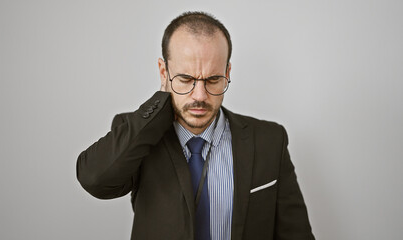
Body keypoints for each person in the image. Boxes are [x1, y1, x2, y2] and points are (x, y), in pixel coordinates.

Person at [76, 11, 315, 240]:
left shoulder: (270, 140)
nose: (199, 95)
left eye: (213, 79)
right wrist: (160, 102)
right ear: (163, 71)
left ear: (228, 72)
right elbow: (95, 180)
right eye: (185, 79)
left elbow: (297, 235)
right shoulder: (139, 133)